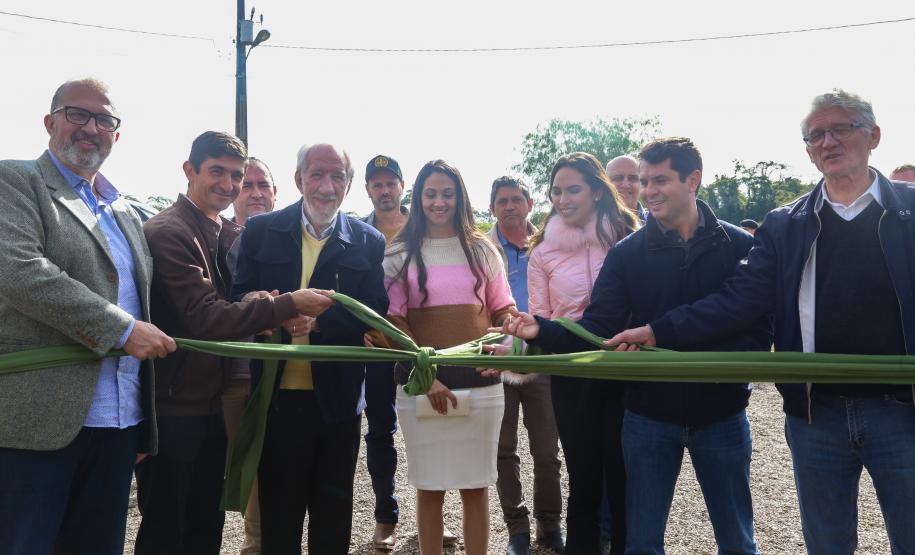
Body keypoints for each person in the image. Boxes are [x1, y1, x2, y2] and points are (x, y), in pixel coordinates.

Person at [610, 90, 915, 553]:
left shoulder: (910, 212)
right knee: (828, 544)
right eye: (815, 135)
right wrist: (658, 331)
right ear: (808, 150)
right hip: (817, 414)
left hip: (902, 408)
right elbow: (740, 300)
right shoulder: (785, 223)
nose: (827, 141)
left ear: (873, 135)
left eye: (841, 128)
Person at [0, 78, 176, 554]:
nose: (90, 128)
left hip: (118, 423)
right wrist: (119, 330)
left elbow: (146, 303)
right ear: (49, 121)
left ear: (116, 136)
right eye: (77, 114)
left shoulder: (124, 211)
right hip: (37, 421)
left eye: (104, 120)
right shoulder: (16, 181)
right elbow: (20, 271)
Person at [136, 132, 333, 554]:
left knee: (205, 523)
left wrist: (253, 302)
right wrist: (286, 306)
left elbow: (230, 303)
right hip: (174, 404)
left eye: (237, 176)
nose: (228, 185)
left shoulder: (225, 229)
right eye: (217, 172)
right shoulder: (169, 231)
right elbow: (204, 316)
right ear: (190, 171)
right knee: (167, 527)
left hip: (210, 401)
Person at [232, 143, 388, 554]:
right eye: (317, 174)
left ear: (350, 184)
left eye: (338, 176)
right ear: (299, 179)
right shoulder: (261, 230)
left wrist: (320, 322)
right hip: (276, 401)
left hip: (337, 404)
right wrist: (266, 309)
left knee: (333, 517)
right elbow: (237, 298)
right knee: (279, 518)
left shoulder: (368, 242)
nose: (327, 185)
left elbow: (374, 313)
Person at [506, 153, 639, 555]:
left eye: (573, 189)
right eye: (556, 191)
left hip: (625, 369)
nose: (562, 198)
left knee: (624, 476)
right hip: (572, 371)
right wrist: (510, 349)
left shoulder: (629, 237)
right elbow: (541, 319)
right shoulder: (541, 250)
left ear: (598, 191)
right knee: (583, 479)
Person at [381, 160, 515, 555]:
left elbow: (503, 308)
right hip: (423, 386)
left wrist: (506, 330)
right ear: (418, 198)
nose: (439, 202)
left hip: (482, 382)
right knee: (430, 486)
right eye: (431, 194)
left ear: (460, 198)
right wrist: (426, 377)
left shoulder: (482, 250)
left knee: (476, 485)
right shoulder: (400, 254)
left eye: (447, 193)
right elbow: (393, 324)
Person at [485, 176, 564, 555]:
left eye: (517, 199)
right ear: (492, 208)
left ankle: (550, 525)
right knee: (503, 449)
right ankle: (516, 528)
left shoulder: (549, 243)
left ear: (530, 205)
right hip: (498, 360)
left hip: (541, 358)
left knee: (547, 450)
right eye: (502, 200)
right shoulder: (482, 249)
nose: (510, 206)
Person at [223, 156, 279, 554]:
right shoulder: (216, 236)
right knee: (241, 463)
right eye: (247, 184)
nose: (256, 193)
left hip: (279, 371)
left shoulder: (289, 239)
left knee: (276, 461)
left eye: (264, 185)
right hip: (230, 375)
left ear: (277, 193)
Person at [360, 154, 409, 550]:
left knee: (431, 423)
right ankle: (385, 516)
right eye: (377, 184)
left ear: (402, 186)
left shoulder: (424, 228)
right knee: (380, 431)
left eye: (390, 182)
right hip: (377, 347)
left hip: (419, 345)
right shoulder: (358, 233)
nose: (385, 190)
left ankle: (434, 515)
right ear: (367, 190)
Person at [606, 155, 647, 221]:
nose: (625, 185)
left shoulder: (660, 223)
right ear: (606, 182)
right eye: (618, 178)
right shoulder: (590, 224)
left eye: (632, 178)